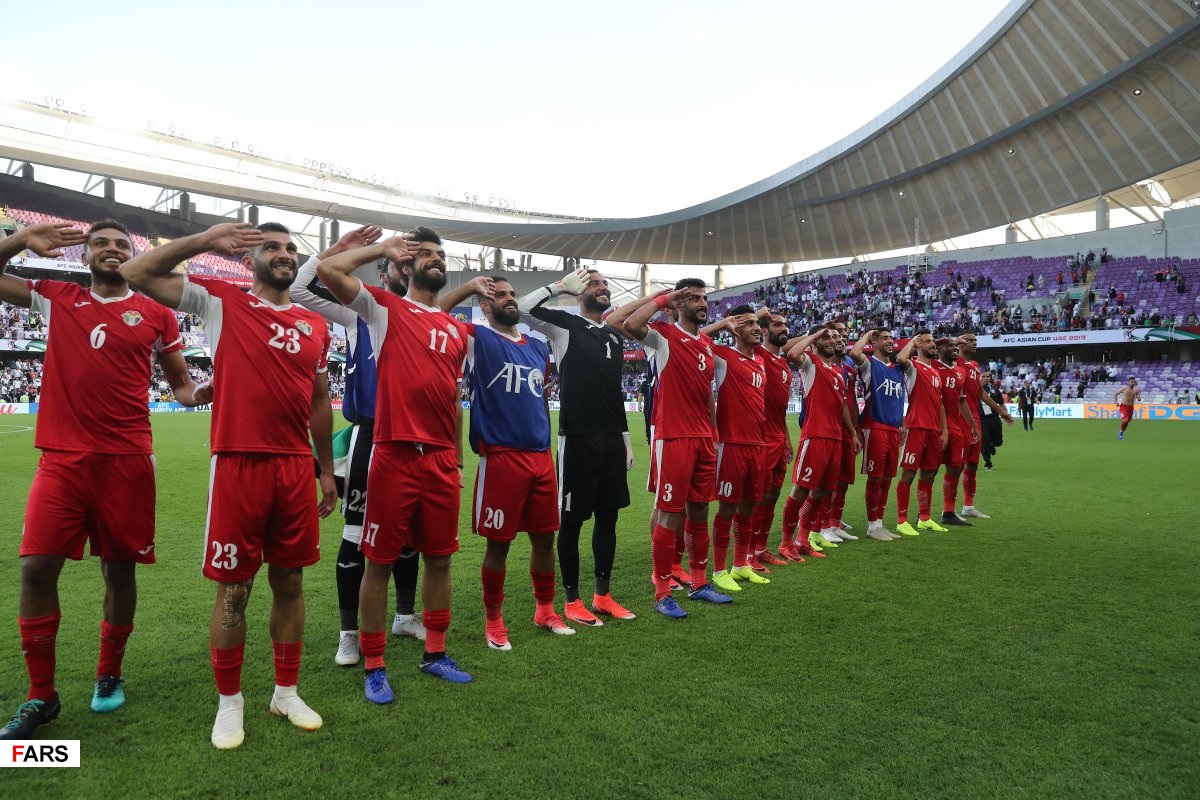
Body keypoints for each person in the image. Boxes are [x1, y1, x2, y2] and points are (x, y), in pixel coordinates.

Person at [121, 221, 337, 750]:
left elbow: (318, 402)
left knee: (290, 582)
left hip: (295, 467)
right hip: (239, 464)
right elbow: (136, 271)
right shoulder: (221, 300)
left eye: (290, 248)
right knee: (235, 589)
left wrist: (327, 470)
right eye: (272, 247)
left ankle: (286, 693)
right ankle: (230, 703)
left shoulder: (315, 324)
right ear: (248, 261)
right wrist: (203, 240)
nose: (284, 254)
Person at [0, 222, 210, 741]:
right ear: (85, 254)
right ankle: (40, 695)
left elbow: (181, 387)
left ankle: (109, 672)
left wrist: (203, 393)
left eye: (122, 244)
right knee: (35, 569)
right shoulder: (57, 297)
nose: (113, 250)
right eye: (102, 243)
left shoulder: (158, 315)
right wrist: (20, 241)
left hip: (128, 462)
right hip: (62, 461)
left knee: (119, 571)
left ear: (133, 255)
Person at [292, 226, 490, 666]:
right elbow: (314, 280)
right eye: (420, 253)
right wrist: (370, 248)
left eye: (439, 254)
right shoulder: (373, 310)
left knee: (426, 551)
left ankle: (416, 630)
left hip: (436, 453)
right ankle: (357, 642)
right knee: (362, 545)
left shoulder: (447, 326)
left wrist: (457, 459)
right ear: (398, 267)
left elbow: (452, 393)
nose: (432, 258)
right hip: (379, 440)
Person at [517, 268, 636, 626]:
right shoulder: (564, 325)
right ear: (580, 291)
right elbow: (523, 308)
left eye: (605, 284)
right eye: (594, 283)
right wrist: (557, 288)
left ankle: (603, 596)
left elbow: (614, 392)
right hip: (578, 437)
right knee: (571, 522)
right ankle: (572, 601)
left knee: (609, 518)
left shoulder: (614, 336)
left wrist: (625, 438)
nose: (602, 288)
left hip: (612, 438)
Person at [611, 280, 733, 618]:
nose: (702, 303)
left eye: (704, 298)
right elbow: (628, 323)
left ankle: (699, 583)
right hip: (673, 437)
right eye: (693, 298)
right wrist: (664, 298)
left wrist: (713, 432)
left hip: (703, 439)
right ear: (678, 304)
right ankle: (662, 591)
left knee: (699, 512)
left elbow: (708, 393)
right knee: (668, 513)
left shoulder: (705, 343)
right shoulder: (662, 336)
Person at [464, 277, 575, 648]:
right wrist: (468, 289)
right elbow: (435, 316)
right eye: (500, 295)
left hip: (539, 458)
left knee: (545, 538)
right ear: (484, 305)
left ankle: (545, 610)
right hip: (501, 457)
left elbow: (540, 401)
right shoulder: (477, 339)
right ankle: (494, 621)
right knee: (499, 545)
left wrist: (546, 445)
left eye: (512, 294)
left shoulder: (538, 347)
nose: (510, 299)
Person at [777, 325, 861, 559]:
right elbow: (792, 353)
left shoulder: (838, 371)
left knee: (823, 491)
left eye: (834, 337)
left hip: (835, 438)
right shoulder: (810, 364)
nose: (832, 340)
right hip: (815, 436)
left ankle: (803, 539)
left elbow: (842, 405)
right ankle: (786, 543)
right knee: (801, 490)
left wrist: (852, 433)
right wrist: (814, 334)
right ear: (815, 342)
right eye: (827, 337)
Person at [700, 305, 769, 591]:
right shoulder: (723, 356)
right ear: (736, 328)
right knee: (727, 508)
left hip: (758, 445)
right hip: (732, 444)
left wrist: (758, 314)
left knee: (749, 506)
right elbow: (695, 338)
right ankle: (719, 570)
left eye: (757, 323)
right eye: (750, 323)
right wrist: (723, 323)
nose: (757, 327)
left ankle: (740, 565)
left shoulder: (761, 360)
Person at [848, 329, 905, 541]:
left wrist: (902, 424)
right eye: (885, 338)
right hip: (875, 426)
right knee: (876, 477)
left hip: (893, 428)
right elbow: (855, 353)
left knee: (888, 478)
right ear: (874, 343)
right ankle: (872, 526)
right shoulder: (870, 365)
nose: (890, 341)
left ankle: (879, 523)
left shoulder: (898, 368)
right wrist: (869, 334)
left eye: (891, 338)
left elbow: (899, 399)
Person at [748, 308, 794, 567]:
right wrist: (758, 314)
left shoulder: (783, 362)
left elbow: (780, 409)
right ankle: (747, 553)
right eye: (778, 325)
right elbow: (742, 330)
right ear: (764, 331)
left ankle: (761, 549)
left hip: (778, 436)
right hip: (761, 437)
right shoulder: (759, 354)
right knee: (757, 497)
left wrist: (786, 438)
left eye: (785, 324)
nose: (784, 328)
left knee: (773, 496)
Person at [893, 331, 949, 537]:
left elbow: (940, 404)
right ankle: (901, 520)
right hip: (916, 427)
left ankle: (924, 518)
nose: (933, 344)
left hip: (934, 430)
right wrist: (912, 341)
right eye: (928, 341)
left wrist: (944, 430)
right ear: (918, 345)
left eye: (933, 341)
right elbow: (900, 358)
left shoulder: (935, 372)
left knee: (929, 474)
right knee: (908, 474)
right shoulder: (913, 367)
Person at [955, 334, 1013, 516]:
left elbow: (980, 393)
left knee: (973, 464)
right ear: (961, 343)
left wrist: (1001, 411)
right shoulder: (954, 363)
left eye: (975, 341)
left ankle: (968, 507)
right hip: (960, 420)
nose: (974, 343)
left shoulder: (974, 366)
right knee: (956, 466)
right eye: (970, 341)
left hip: (976, 421)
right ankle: (948, 510)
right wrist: (955, 343)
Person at [935, 337, 980, 527]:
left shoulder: (960, 372)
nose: (955, 348)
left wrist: (972, 425)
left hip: (956, 426)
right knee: (928, 470)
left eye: (956, 345)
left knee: (956, 467)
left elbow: (962, 401)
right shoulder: (932, 366)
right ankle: (922, 515)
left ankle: (948, 512)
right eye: (951, 345)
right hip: (935, 426)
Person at [979, 373, 1006, 470]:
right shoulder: (974, 390)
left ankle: (992, 445)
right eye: (983, 377)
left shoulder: (994, 389)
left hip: (994, 418)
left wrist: (1005, 414)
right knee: (984, 442)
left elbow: (1001, 403)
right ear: (979, 378)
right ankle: (988, 463)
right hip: (981, 419)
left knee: (998, 442)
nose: (986, 378)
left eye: (987, 377)